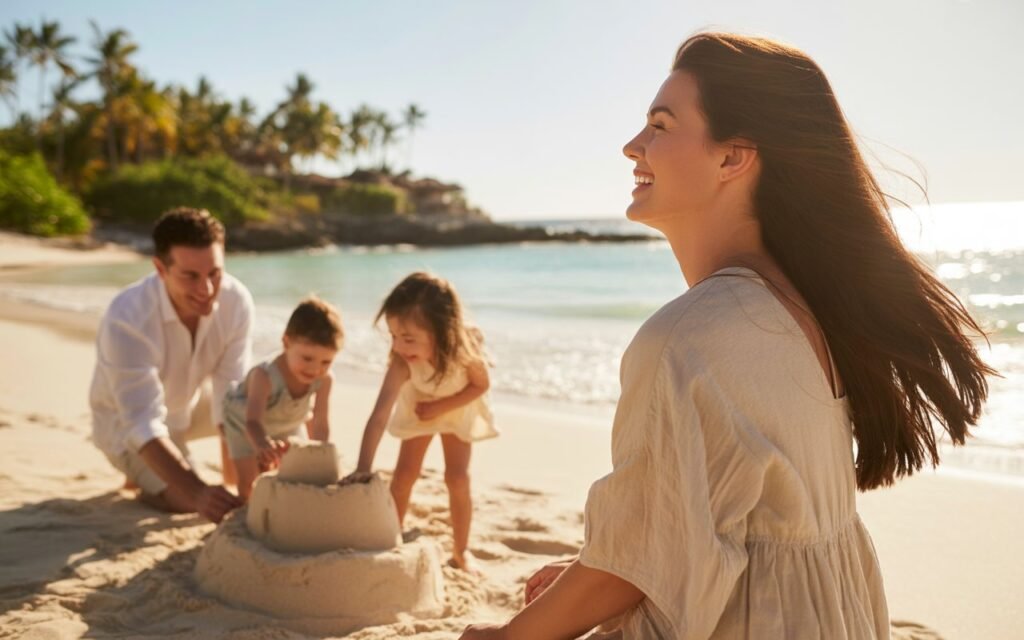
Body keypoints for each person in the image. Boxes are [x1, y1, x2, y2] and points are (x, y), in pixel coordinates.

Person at [461, 32, 993, 639]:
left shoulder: (691, 336)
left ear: (732, 157)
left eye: (660, 125)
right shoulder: (802, 308)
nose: (633, 146)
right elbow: (712, 530)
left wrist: (505, 637)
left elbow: (625, 571)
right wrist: (590, 572)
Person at [90, 207, 255, 523]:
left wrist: (241, 486)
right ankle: (137, 474)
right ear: (160, 269)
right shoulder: (127, 316)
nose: (206, 289)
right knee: (186, 500)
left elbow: (229, 396)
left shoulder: (236, 301)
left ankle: (157, 474)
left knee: (267, 405)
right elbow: (141, 422)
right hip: (126, 429)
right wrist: (199, 494)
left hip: (187, 409)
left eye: (214, 273)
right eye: (190, 276)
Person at [344, 272, 496, 570]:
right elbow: (379, 414)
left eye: (409, 339)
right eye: (394, 336)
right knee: (403, 476)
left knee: (457, 478)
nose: (399, 347)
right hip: (419, 409)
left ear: (443, 331)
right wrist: (363, 467)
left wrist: (441, 406)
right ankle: (393, 535)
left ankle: (461, 551)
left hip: (456, 408)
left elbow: (480, 385)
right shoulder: (402, 362)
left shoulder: (465, 349)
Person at [222, 296, 343, 499]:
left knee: (297, 473)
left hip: (287, 423)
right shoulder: (265, 377)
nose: (315, 369)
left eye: (326, 361)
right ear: (286, 342)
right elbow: (253, 421)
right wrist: (261, 445)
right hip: (244, 424)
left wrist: (322, 454)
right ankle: (247, 514)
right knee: (249, 481)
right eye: (307, 358)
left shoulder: (325, 380)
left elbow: (320, 422)